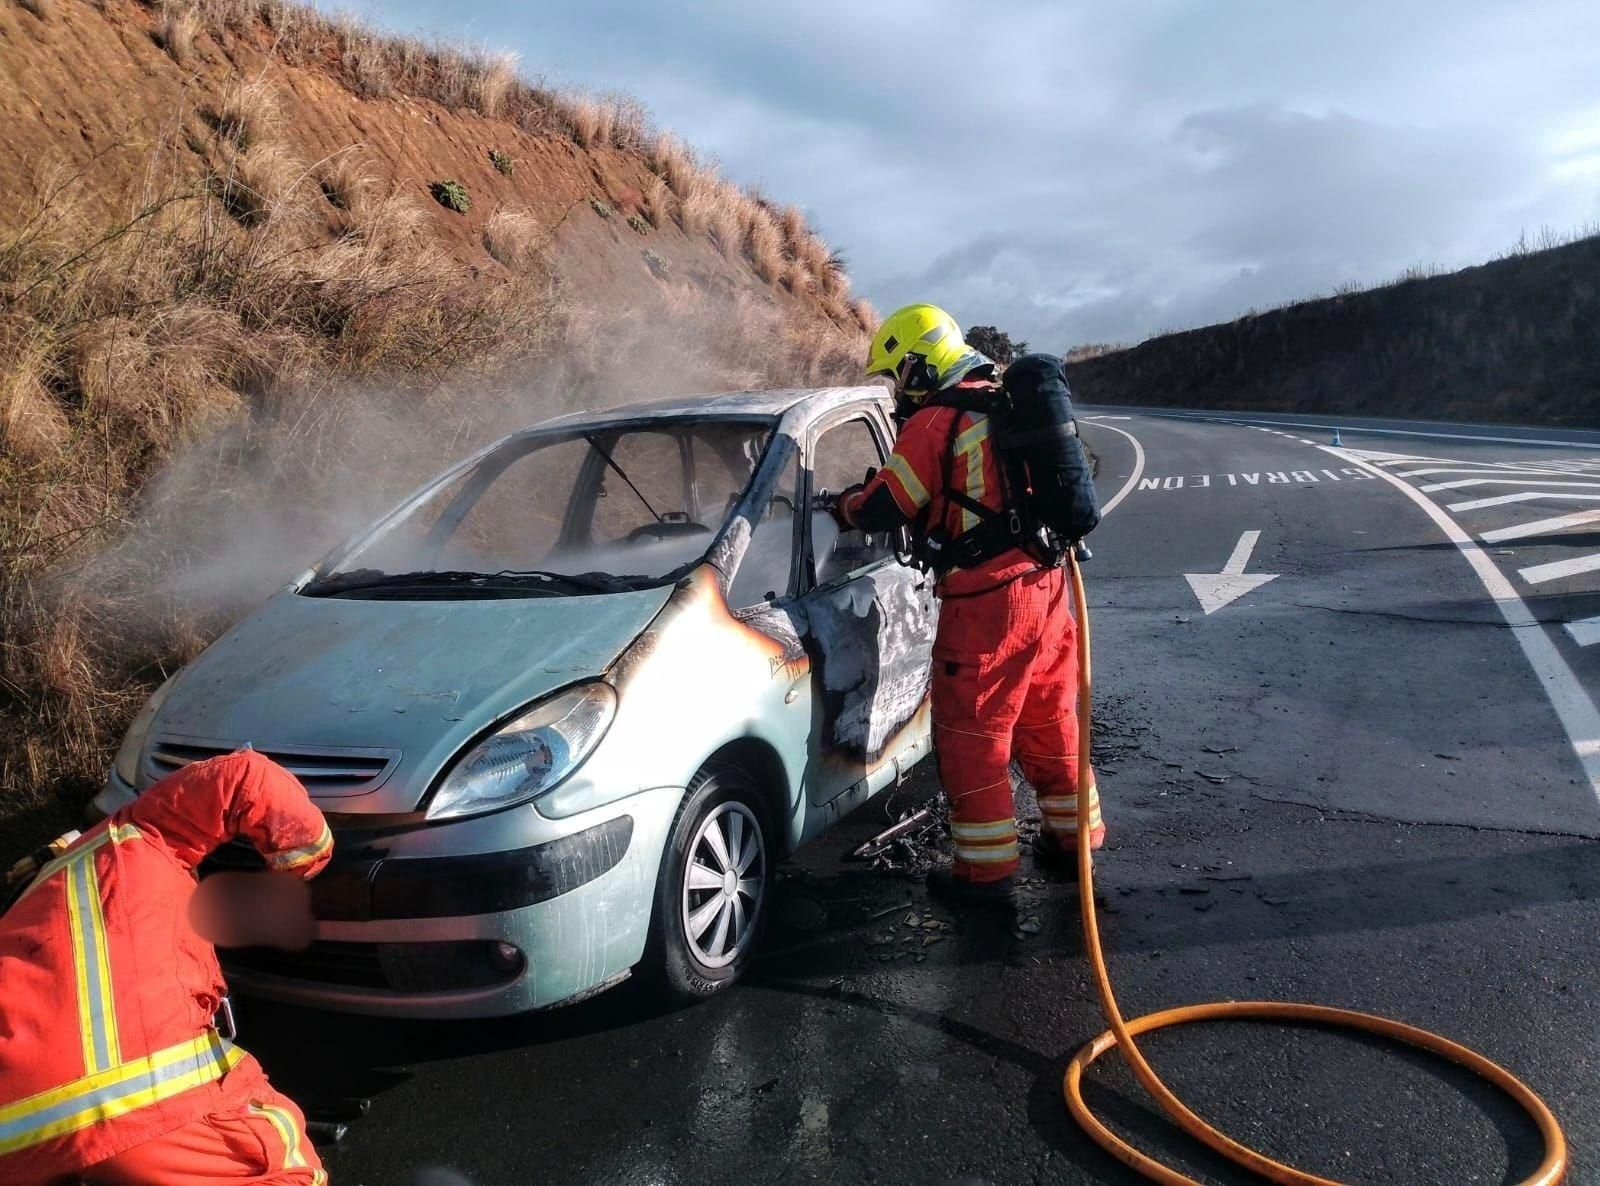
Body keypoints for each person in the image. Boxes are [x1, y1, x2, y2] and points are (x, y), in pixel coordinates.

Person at [834, 304, 1102, 906]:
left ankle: (985, 877)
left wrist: (846, 505)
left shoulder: (937, 419)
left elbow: (887, 505)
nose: (897, 389)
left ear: (919, 363)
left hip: (987, 601)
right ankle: (1075, 842)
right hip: (1047, 583)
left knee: (971, 733)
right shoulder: (1004, 402)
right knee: (1050, 717)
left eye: (897, 375)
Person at [0, 749, 334, 1185]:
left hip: (14, 1143)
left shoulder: (30, 908)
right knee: (289, 1166)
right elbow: (244, 775)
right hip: (143, 1105)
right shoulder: (143, 830)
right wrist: (308, 857)